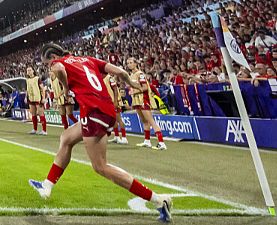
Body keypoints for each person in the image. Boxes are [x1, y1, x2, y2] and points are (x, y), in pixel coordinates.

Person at [29, 43, 173, 222]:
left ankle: (158, 200)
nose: (47, 67)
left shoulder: (60, 63)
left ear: (52, 57)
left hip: (94, 111)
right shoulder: (88, 60)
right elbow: (120, 72)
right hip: (105, 109)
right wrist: (133, 84)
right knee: (66, 138)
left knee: (100, 166)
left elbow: (58, 69)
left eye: (46, 63)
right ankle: (47, 185)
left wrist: (66, 88)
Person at [127, 59, 166, 150]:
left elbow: (145, 88)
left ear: (136, 64)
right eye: (128, 63)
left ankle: (161, 143)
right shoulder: (131, 75)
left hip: (143, 99)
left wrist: (134, 92)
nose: (129, 65)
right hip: (136, 100)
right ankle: (147, 141)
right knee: (144, 121)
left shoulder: (140, 74)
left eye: (131, 63)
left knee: (151, 121)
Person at [103, 70, 129, 144]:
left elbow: (115, 90)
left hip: (114, 101)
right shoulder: (101, 79)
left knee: (118, 119)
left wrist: (115, 101)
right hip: (108, 102)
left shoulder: (109, 78)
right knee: (113, 120)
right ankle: (116, 137)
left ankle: (124, 138)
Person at [24, 66, 47, 136]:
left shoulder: (37, 79)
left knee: (41, 113)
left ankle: (44, 130)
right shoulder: (27, 80)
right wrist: (26, 97)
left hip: (38, 98)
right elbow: (27, 89)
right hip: (31, 98)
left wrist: (43, 98)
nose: (29, 72)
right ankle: (35, 129)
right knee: (33, 113)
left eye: (30, 70)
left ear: (33, 71)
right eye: (28, 70)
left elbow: (42, 88)